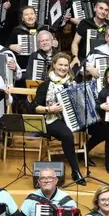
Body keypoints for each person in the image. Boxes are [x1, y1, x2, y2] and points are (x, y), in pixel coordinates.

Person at [33, 52, 85, 182]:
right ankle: (76, 171)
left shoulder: (73, 83)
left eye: (66, 65)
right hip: (52, 120)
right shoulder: (46, 85)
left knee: (100, 125)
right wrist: (50, 109)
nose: (63, 68)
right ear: (54, 65)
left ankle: (88, 154)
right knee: (67, 135)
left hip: (71, 119)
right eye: (60, 65)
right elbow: (36, 108)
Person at [71, 0, 109, 66]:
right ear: (95, 8)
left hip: (104, 60)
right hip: (84, 59)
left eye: (106, 10)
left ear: (108, 12)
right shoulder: (85, 23)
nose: (103, 12)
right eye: (101, 8)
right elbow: (75, 43)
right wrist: (75, 57)